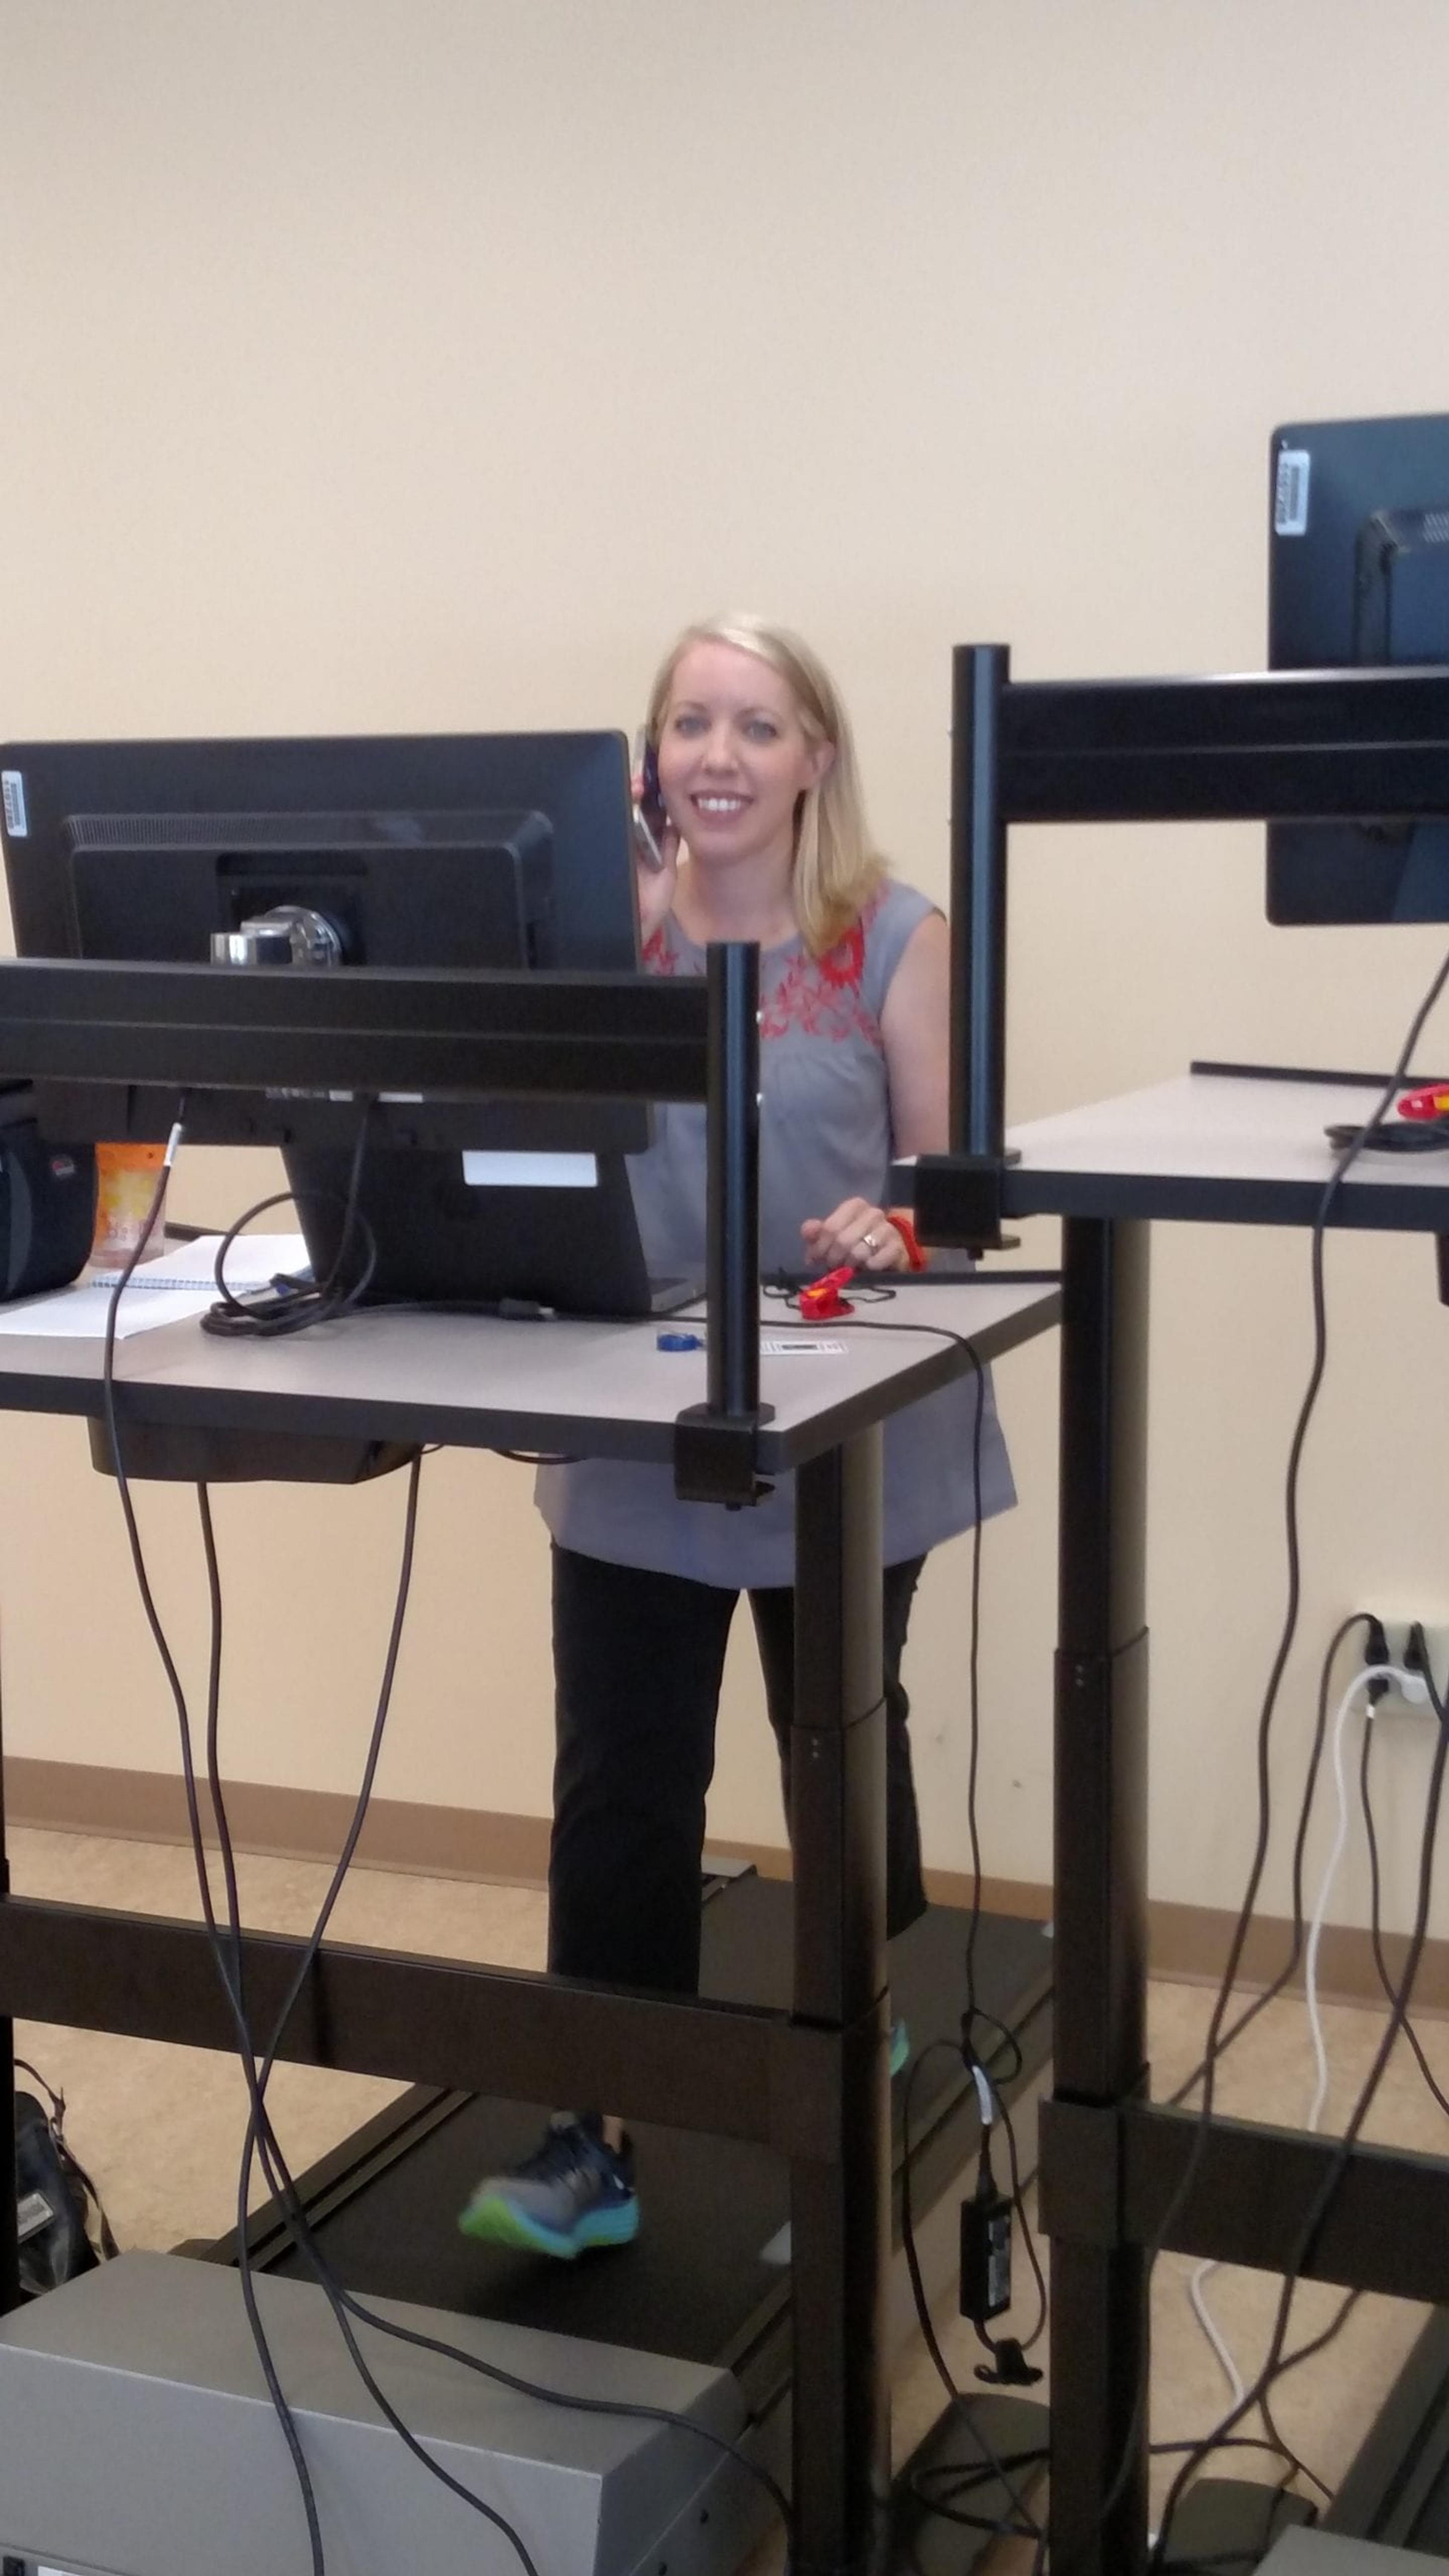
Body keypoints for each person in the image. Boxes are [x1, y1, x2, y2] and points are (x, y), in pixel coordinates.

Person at [460, 614, 1014, 2259]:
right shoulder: (601, 941)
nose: (718, 757)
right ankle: (594, 2130)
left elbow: (954, 1194)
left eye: (756, 728)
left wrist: (898, 1226)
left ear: (815, 760)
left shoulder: (893, 938)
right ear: (647, 766)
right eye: (688, 725)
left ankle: (865, 2050)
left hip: (848, 1411)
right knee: (622, 1775)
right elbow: (522, 1147)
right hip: (645, 1412)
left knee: (840, 1736)